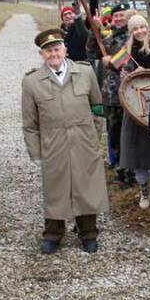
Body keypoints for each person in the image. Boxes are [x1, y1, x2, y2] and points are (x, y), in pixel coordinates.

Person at [21, 28, 108, 253]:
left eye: (56, 48)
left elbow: (97, 108)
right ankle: (53, 234)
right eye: (48, 51)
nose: (53, 54)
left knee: (86, 185)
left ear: (65, 49)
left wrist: (93, 137)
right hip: (53, 143)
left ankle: (88, 233)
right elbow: (30, 123)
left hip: (83, 141)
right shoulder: (32, 82)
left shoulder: (85, 72)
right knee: (55, 189)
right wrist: (36, 153)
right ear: (42, 54)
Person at [119, 15, 150, 208]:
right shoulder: (126, 51)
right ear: (131, 32)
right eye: (135, 29)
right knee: (136, 148)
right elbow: (117, 70)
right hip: (135, 106)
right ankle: (143, 189)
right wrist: (123, 74)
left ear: (147, 27)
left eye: (142, 27)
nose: (139, 31)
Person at [89, 0, 132, 183]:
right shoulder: (110, 38)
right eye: (116, 16)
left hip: (130, 95)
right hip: (112, 96)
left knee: (129, 135)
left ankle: (132, 171)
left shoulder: (135, 36)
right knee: (114, 134)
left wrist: (111, 62)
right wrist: (95, 30)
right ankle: (120, 170)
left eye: (122, 15)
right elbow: (91, 50)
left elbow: (130, 60)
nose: (119, 18)